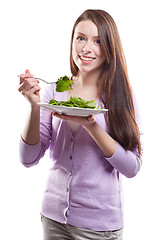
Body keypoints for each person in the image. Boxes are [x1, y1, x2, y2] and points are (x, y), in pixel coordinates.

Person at [18, 9, 142, 240]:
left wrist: (92, 126)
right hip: (53, 218)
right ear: (72, 40)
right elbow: (28, 158)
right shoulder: (54, 91)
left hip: (99, 226)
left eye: (97, 41)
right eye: (81, 38)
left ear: (110, 47)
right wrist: (35, 107)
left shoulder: (121, 96)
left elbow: (132, 167)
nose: (86, 48)